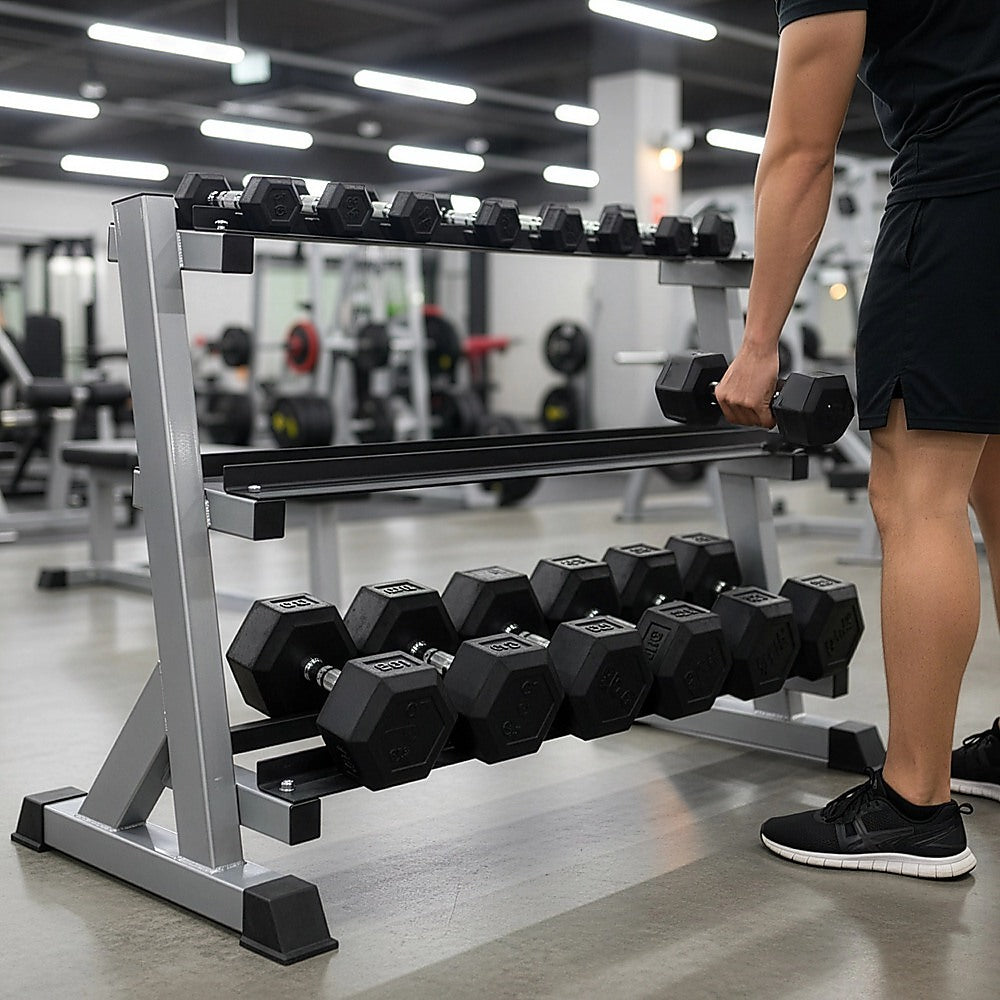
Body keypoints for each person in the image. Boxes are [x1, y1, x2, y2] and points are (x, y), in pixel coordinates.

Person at [713, 1, 1000, 878]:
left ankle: (914, 803)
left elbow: (802, 149)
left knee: (917, 496)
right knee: (996, 485)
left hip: (964, 190)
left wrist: (758, 344)